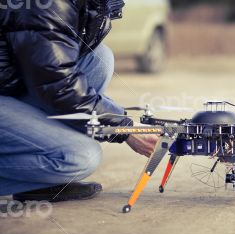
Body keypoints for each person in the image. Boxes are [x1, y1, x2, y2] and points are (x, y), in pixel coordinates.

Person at [0, 0, 158, 202]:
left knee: (99, 59)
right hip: (11, 90)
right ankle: (53, 160)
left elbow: (56, 69)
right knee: (81, 157)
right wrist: (123, 128)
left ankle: (42, 179)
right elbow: (59, 84)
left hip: (11, 84)